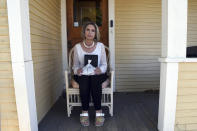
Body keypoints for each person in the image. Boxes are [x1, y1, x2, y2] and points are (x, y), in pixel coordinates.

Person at [72, 22, 108, 126]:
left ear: (96, 33)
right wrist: (77, 70)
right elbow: (75, 66)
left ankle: (98, 111)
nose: (90, 33)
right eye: (88, 30)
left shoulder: (100, 46)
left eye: (93, 30)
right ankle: (84, 112)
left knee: (95, 80)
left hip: (97, 74)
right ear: (84, 32)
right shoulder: (77, 47)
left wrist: (100, 70)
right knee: (84, 81)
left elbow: (104, 64)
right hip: (82, 75)